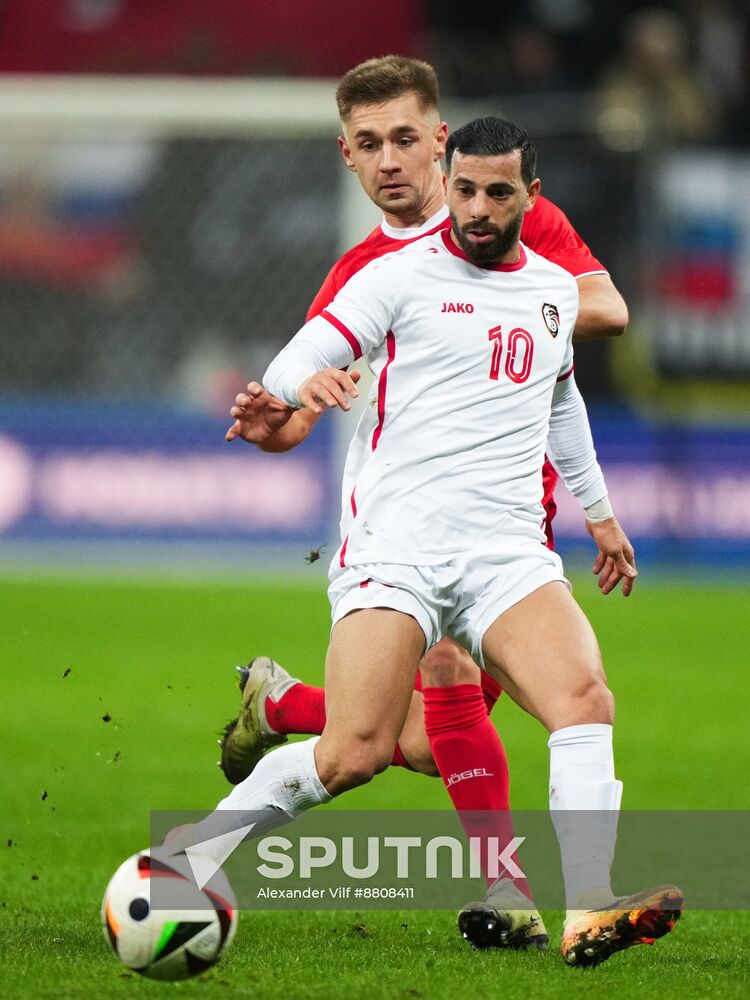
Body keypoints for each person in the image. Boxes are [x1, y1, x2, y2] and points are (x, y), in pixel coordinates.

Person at [197, 114, 682, 968]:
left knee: (585, 700)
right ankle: (187, 857)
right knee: (358, 752)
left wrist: (599, 514)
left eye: (500, 192)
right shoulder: (396, 279)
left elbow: (561, 403)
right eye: (465, 189)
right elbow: (294, 361)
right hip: (398, 548)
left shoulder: (553, 293)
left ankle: (589, 908)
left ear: (531, 197)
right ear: (448, 185)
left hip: (504, 552)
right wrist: (293, 385)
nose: (479, 207)